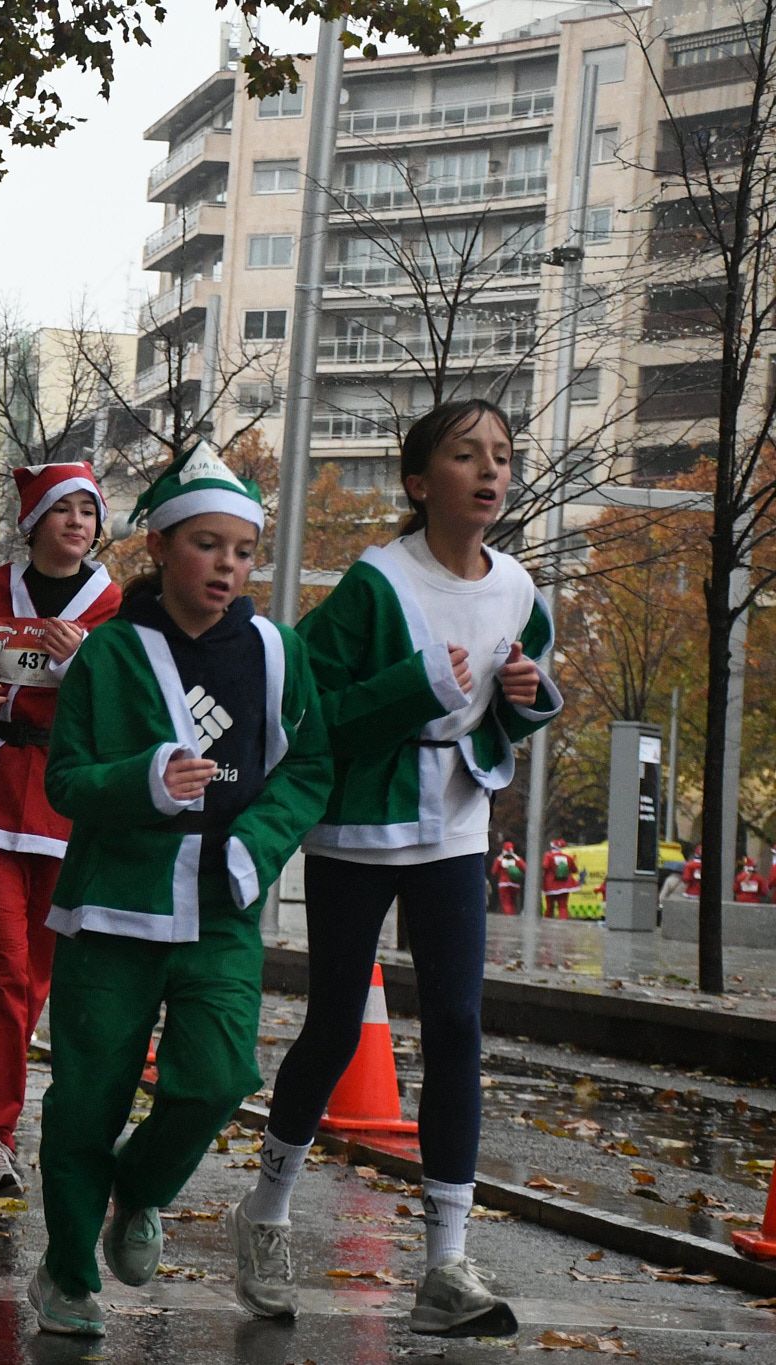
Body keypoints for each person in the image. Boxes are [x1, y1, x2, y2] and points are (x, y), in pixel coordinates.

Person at [231, 399, 559, 1339]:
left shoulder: (520, 586)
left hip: (456, 821)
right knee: (336, 1024)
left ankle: (446, 1260)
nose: (490, 471)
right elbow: (313, 707)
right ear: (421, 483)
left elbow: (521, 693)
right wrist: (417, 685)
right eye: (466, 456)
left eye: (501, 455)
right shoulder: (378, 583)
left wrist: (527, 698)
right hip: (360, 827)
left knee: (458, 1024)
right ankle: (268, 1209)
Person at [28, 447, 330, 1337]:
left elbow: (309, 765)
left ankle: (138, 1187)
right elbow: (68, 783)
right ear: (160, 547)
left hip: (223, 907)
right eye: (208, 544)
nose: (228, 566)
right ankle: (68, 1272)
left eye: (242, 550)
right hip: (112, 908)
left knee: (216, 1077)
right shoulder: (111, 655)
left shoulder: (279, 652)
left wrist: (259, 846)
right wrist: (149, 780)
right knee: (89, 1095)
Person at [0, 462, 121, 1198]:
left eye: (88, 511)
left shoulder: (113, 606)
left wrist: (86, 665)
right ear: (33, 521)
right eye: (62, 509)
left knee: (33, 980)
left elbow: (129, 695)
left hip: (72, 807)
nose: (77, 521)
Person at [542, 837, 579, 919]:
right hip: (565, 884)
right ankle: (563, 923)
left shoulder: (548, 856)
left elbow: (544, 866)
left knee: (549, 907)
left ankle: (545, 923)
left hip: (551, 885)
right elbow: (575, 870)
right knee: (563, 906)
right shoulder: (568, 857)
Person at [492, 840, 525, 916]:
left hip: (503, 884)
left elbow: (494, 871)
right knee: (513, 902)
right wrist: (517, 858)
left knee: (506, 903)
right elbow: (524, 867)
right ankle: (512, 916)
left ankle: (509, 917)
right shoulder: (516, 859)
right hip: (515, 885)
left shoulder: (500, 859)